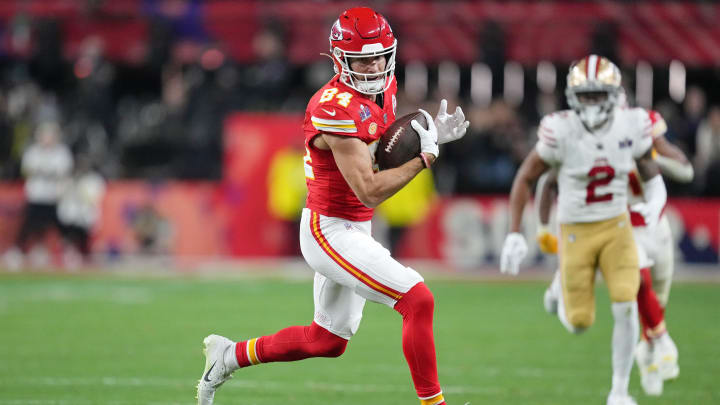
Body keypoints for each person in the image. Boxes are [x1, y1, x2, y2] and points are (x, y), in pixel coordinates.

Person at [196, 7, 469, 405]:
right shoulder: (332, 106)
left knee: (326, 340)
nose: (374, 64)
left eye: (379, 55)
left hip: (356, 226)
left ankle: (228, 355)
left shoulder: (383, 89)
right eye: (363, 58)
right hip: (330, 230)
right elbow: (369, 190)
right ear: (341, 58)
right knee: (417, 299)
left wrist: (426, 139)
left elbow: (377, 157)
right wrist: (425, 157)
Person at [500, 55, 667, 405]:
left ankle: (619, 392)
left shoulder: (631, 124)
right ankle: (560, 286)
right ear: (574, 96)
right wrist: (515, 232)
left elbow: (652, 174)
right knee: (578, 323)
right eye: (585, 95)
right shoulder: (560, 129)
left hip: (616, 226)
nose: (591, 103)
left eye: (598, 94)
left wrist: (655, 198)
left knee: (625, 304)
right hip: (575, 229)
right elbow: (528, 177)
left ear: (614, 94)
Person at [535, 105, 691, 396]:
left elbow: (684, 169)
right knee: (636, 284)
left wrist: (654, 159)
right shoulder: (580, 134)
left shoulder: (642, 128)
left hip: (653, 220)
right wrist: (545, 227)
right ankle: (658, 341)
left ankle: (647, 352)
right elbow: (549, 181)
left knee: (658, 297)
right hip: (616, 222)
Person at [3, 121, 73, 269]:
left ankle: (66, 252)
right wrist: (47, 172)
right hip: (36, 196)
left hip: (53, 197)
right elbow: (28, 170)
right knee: (29, 226)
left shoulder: (61, 152)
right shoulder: (33, 152)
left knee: (58, 226)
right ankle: (17, 251)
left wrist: (45, 172)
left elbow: (63, 172)